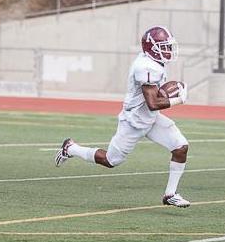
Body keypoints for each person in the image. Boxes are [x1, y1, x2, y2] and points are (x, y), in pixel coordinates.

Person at [55, 26, 190, 207]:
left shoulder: (151, 61)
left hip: (150, 118)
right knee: (111, 161)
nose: (167, 50)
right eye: (163, 46)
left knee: (180, 147)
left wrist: (165, 95)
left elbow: (153, 104)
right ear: (152, 48)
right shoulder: (146, 67)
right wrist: (179, 99)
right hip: (134, 121)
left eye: (168, 46)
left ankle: (170, 194)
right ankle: (71, 148)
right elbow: (153, 104)